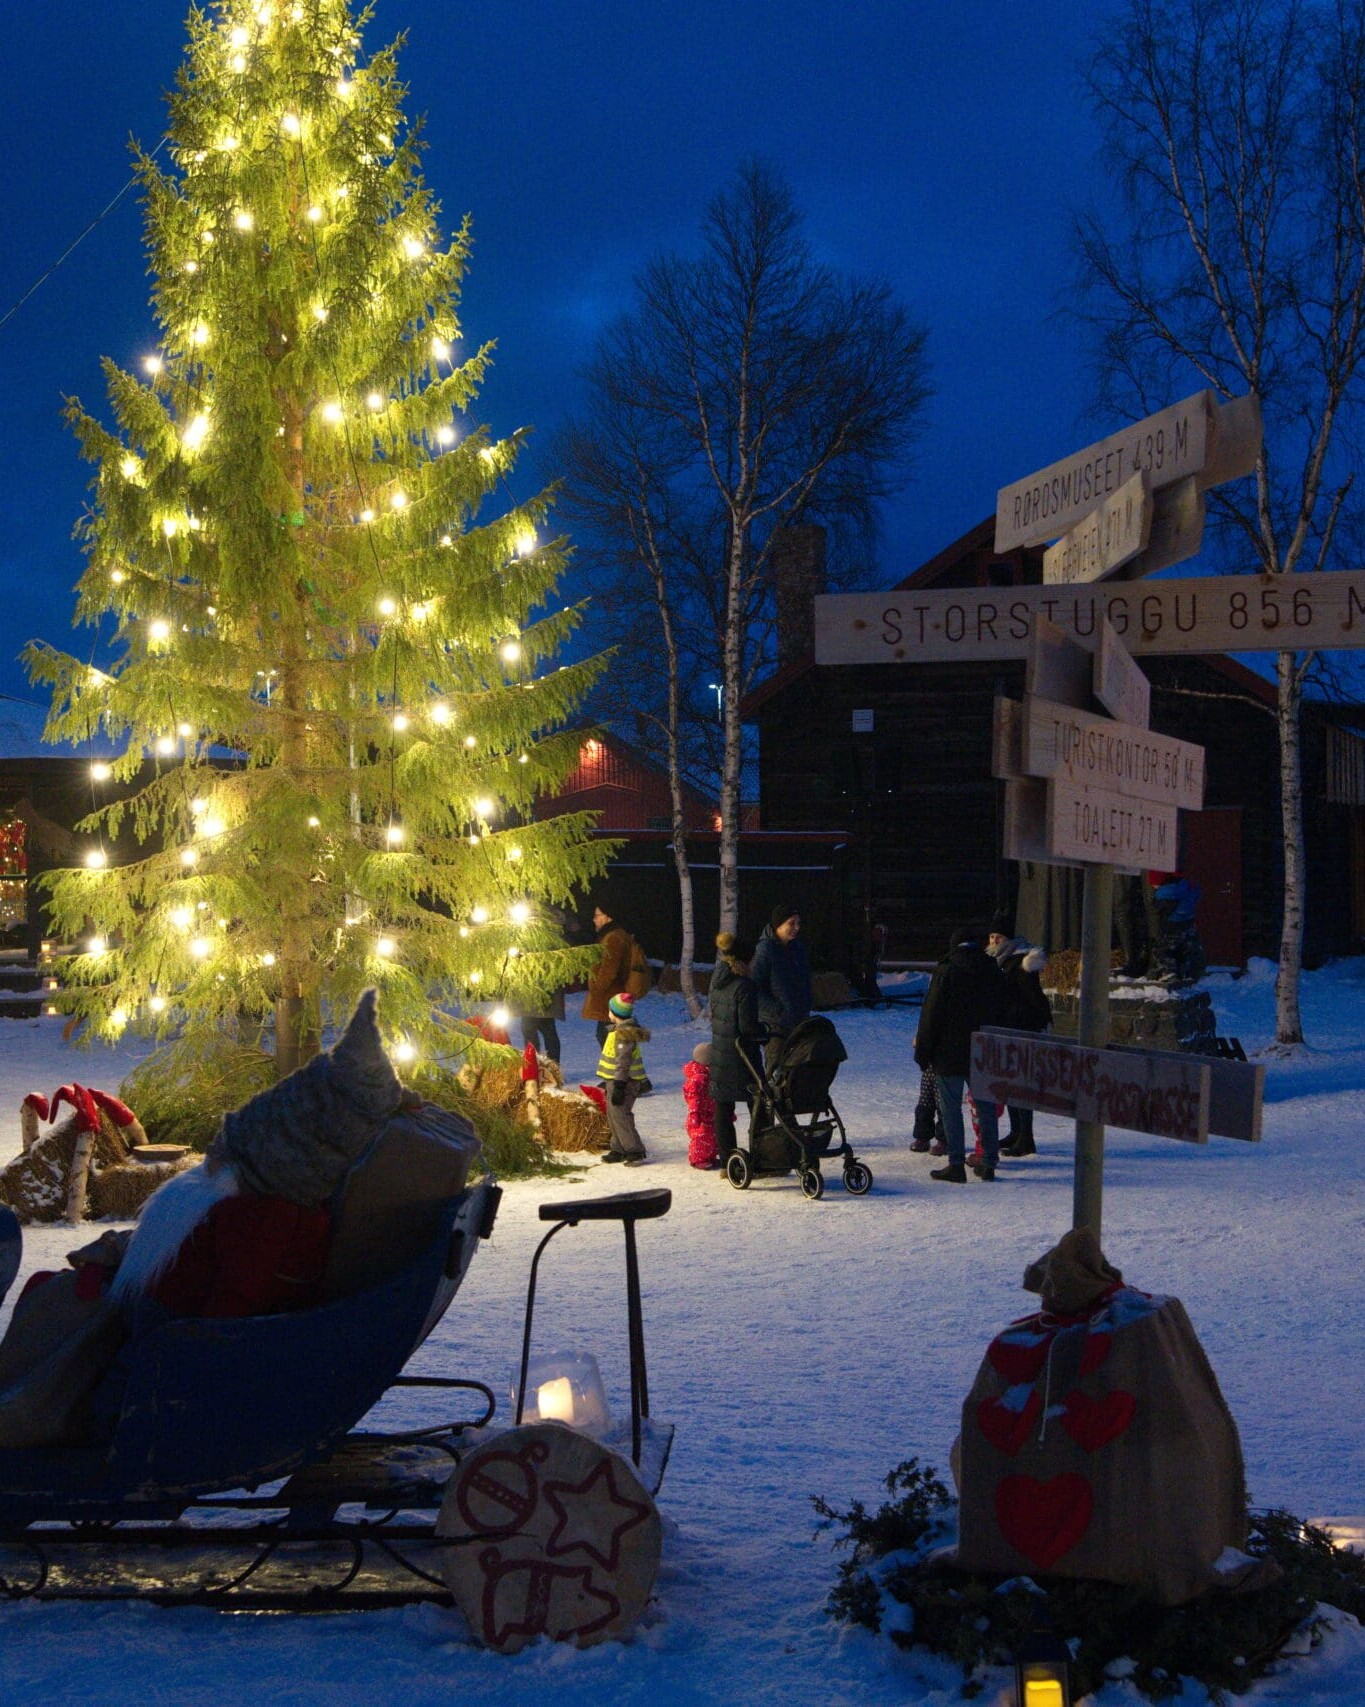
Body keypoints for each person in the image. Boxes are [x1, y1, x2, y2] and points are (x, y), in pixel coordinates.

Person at [914, 925, 1006, 1183]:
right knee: (985, 1107)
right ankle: (988, 1161)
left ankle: (955, 1163)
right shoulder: (992, 969)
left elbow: (931, 1014)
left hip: (949, 1051)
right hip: (983, 1049)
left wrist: (923, 1052)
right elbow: (1003, 1009)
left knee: (950, 1109)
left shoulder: (946, 970)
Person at [987, 910, 1052, 1159]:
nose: (993, 941)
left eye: (998, 937)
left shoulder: (1021, 964)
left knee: (1021, 1084)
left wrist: (1025, 1020)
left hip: (1022, 1031)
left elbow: (1033, 1000)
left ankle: (1026, 1137)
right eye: (991, 936)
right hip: (1007, 1030)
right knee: (1009, 1084)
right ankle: (1016, 1132)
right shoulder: (999, 961)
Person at [708, 931, 765, 1170]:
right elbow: (747, 1027)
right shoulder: (745, 987)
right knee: (759, 1104)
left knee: (723, 1108)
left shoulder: (716, 981)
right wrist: (764, 1031)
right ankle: (764, 1157)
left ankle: (728, 1162)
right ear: (746, 960)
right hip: (743, 1057)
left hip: (720, 1054)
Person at [751, 903, 812, 1065]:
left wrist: (806, 1002)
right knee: (776, 1069)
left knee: (799, 1069)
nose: (796, 928)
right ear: (778, 924)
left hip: (799, 1021)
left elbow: (804, 980)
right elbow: (753, 987)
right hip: (775, 1025)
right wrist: (776, 1009)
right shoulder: (765, 950)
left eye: (798, 923)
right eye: (791, 923)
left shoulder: (797, 949)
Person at [596, 991, 649, 1166]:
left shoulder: (623, 1035)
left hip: (624, 1082)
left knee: (621, 1115)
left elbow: (623, 1062)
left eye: (610, 1010)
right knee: (613, 1114)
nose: (608, 1013)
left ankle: (635, 1150)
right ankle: (618, 1148)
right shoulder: (617, 1031)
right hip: (614, 1080)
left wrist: (619, 1085)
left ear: (616, 1013)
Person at [582, 900, 637, 1046]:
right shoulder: (611, 935)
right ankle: (613, 1067)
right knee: (607, 1036)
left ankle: (613, 1068)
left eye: (597, 915)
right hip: (610, 999)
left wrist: (596, 987)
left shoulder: (613, 938)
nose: (594, 919)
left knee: (608, 1037)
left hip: (610, 999)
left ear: (608, 917)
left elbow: (609, 969)